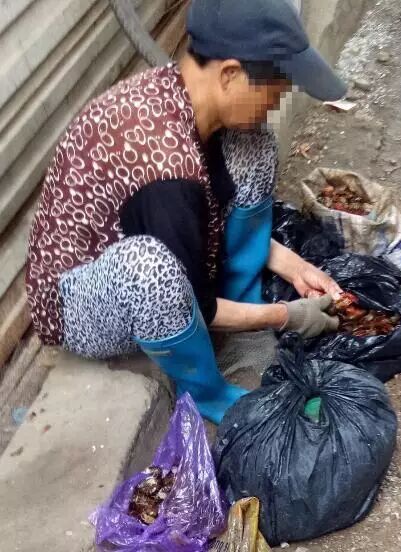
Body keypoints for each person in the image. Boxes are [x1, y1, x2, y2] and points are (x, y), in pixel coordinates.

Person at [26, 0, 347, 424]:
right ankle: (208, 393)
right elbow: (194, 299)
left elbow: (206, 214)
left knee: (256, 145)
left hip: (150, 237)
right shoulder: (166, 171)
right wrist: (286, 316)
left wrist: (293, 265)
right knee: (151, 272)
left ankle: (241, 314)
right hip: (83, 304)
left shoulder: (179, 90)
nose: (275, 105)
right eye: (275, 92)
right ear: (230, 75)